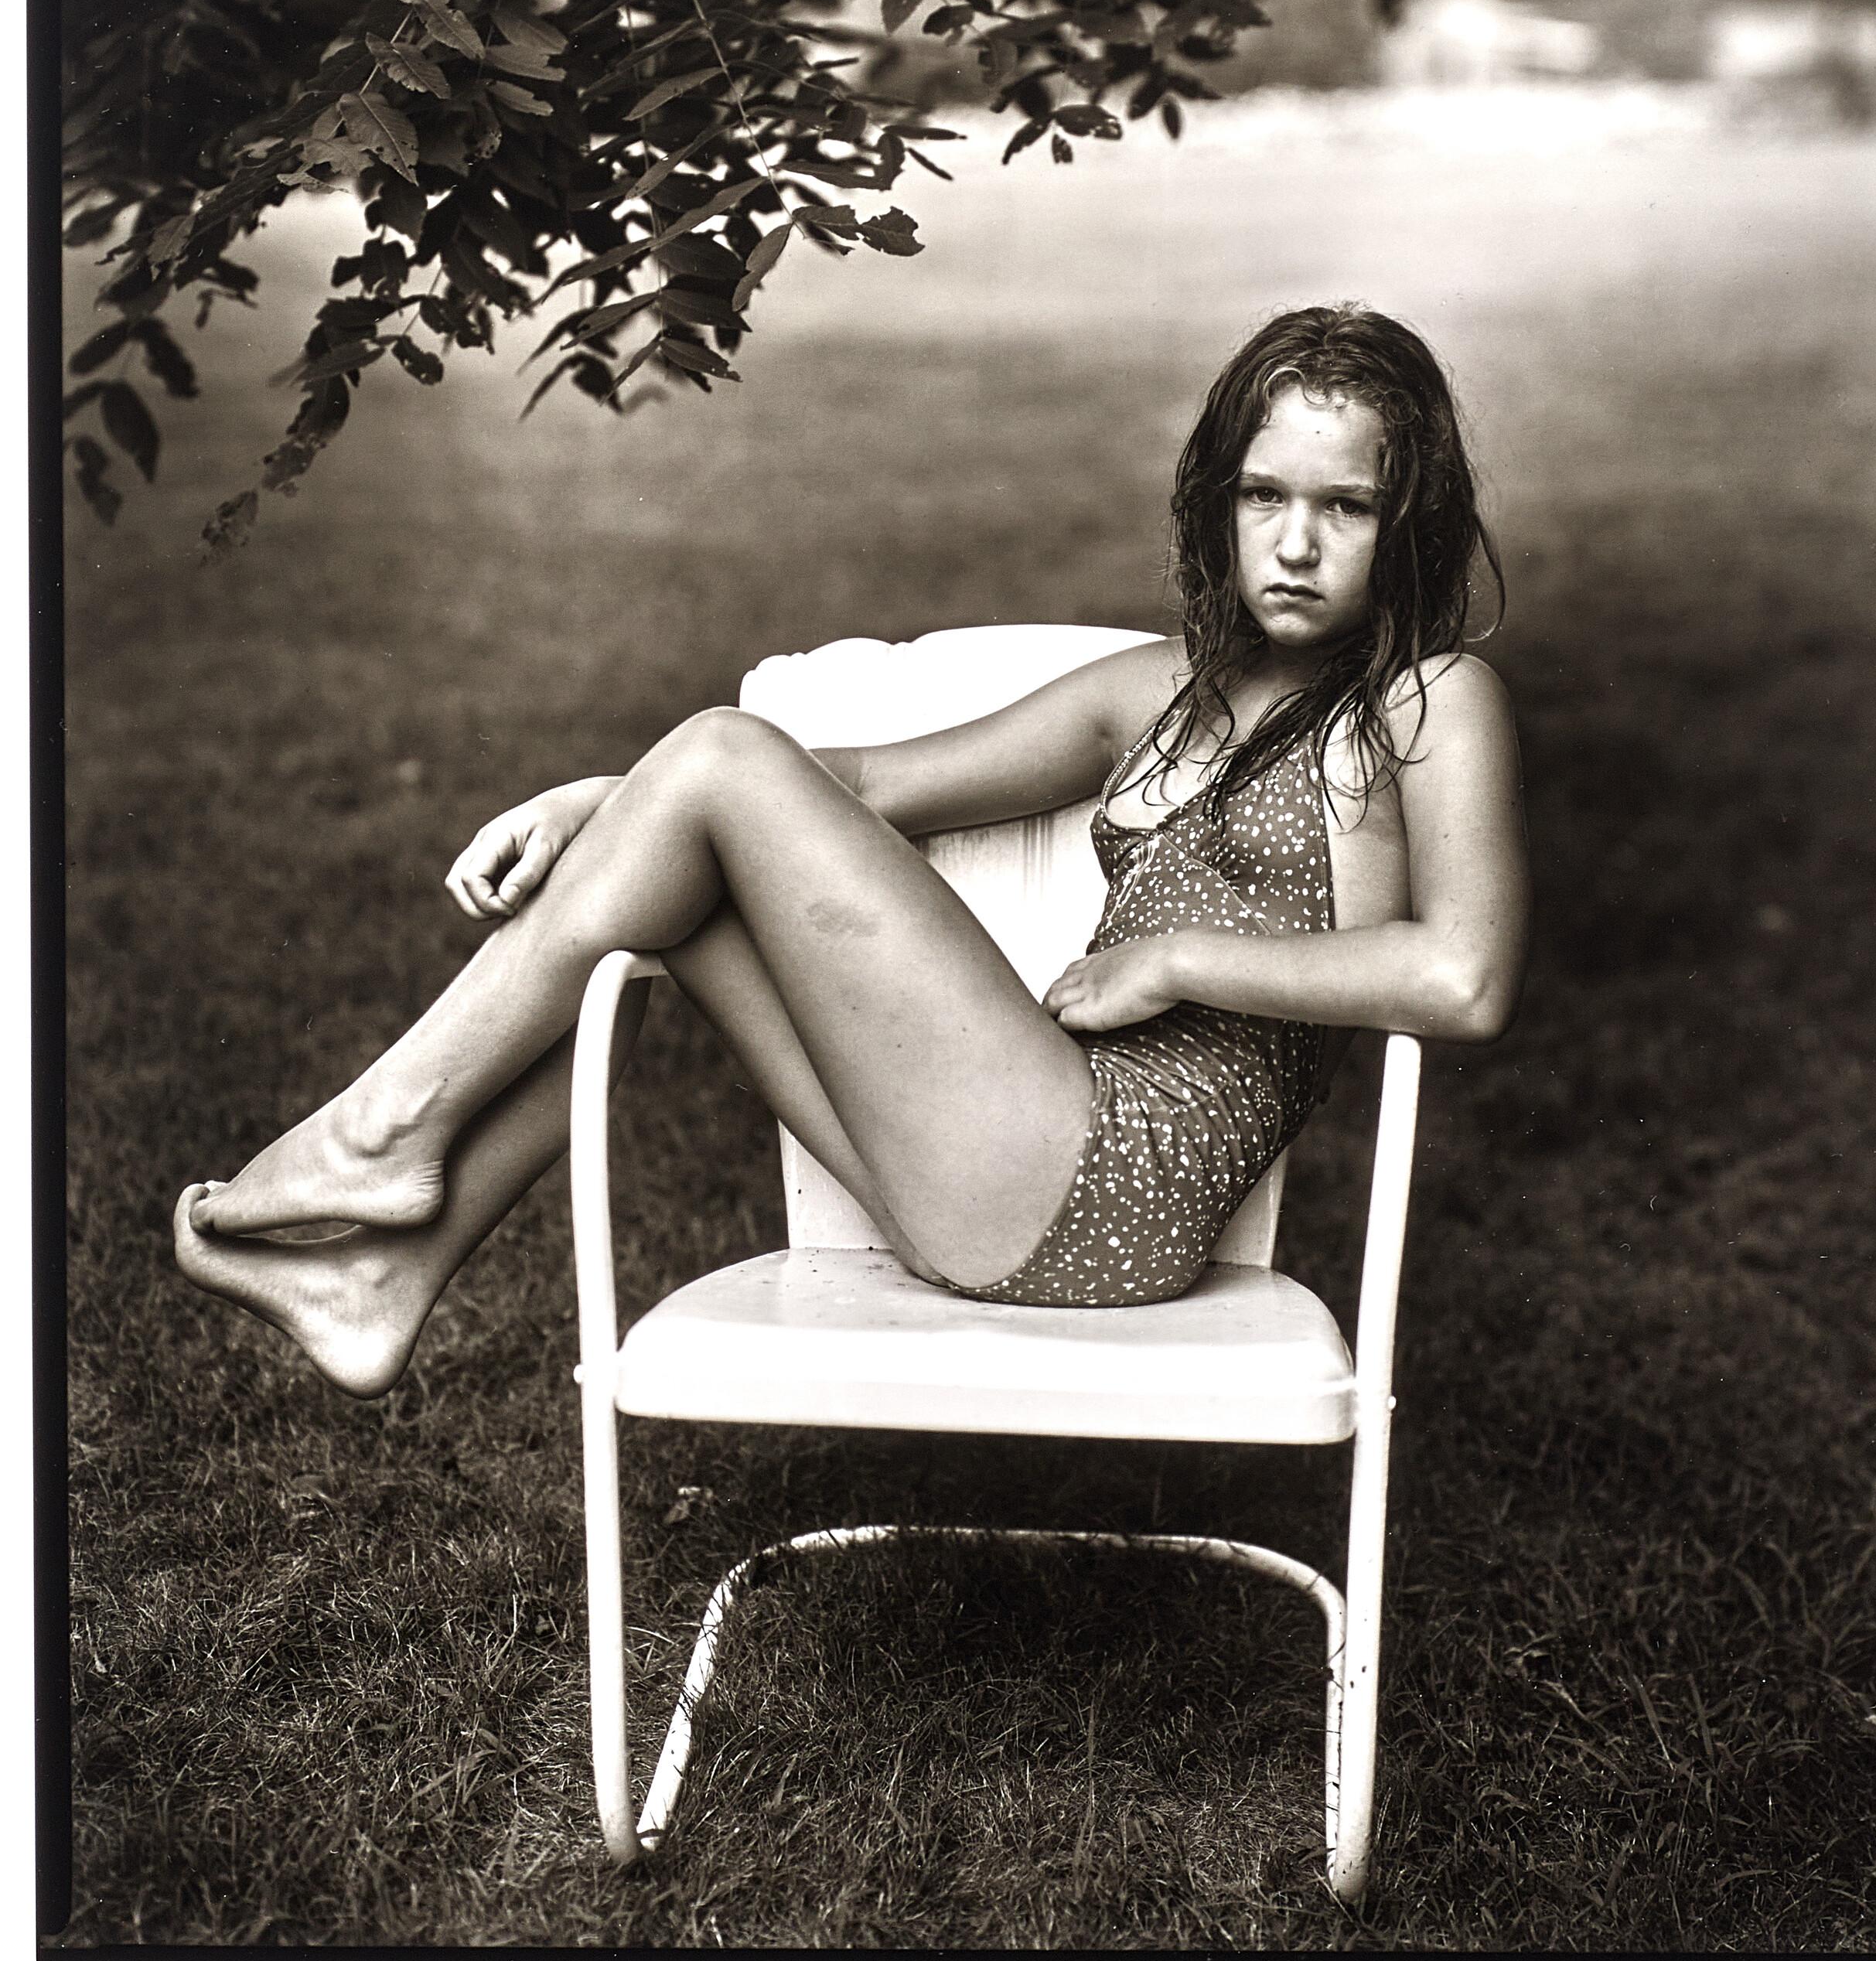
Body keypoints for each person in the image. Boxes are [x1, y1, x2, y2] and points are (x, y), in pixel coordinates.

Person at [175, 303, 1529, 1394]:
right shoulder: (1156, 689)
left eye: (1343, 508)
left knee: (715, 756)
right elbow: (869, 787)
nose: (1294, 543)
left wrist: (1176, 959)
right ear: (1217, 504)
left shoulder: (1427, 701)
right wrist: (607, 799)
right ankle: (385, 1277)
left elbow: (1461, 979)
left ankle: (383, 1130)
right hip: (989, 1172)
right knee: (680, 881)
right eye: (1262, 496)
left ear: (1404, 519)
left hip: (1106, 1180)